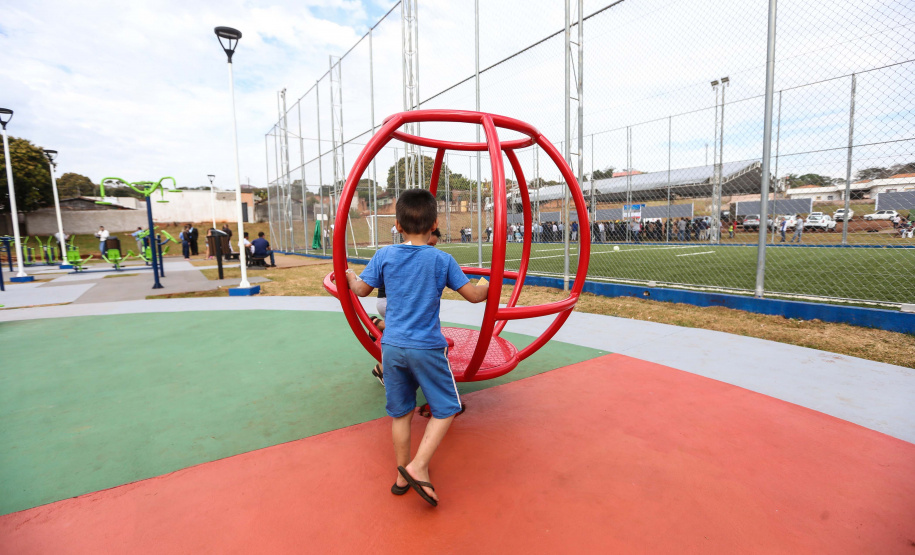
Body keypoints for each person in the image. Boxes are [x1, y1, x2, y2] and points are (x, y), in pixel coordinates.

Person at [345, 190, 488, 506]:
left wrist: (350, 274)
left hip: (392, 348)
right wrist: (488, 286)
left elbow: (360, 290)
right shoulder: (442, 259)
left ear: (396, 225)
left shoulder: (384, 255)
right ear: (435, 223)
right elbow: (475, 297)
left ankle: (400, 475)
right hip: (426, 347)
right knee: (448, 406)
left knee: (401, 412)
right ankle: (418, 465)